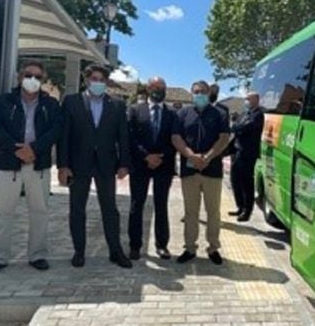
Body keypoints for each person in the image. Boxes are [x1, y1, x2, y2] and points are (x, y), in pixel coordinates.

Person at [0, 61, 63, 276]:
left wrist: (34, 149)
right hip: (8, 163)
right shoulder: (5, 101)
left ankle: (37, 255)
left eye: (38, 77)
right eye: (29, 75)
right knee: (3, 212)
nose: (33, 80)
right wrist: (14, 148)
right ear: (20, 77)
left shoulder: (50, 104)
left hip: (38, 165)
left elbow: (56, 129)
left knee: (39, 211)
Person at [58, 65, 133, 269]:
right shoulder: (72, 101)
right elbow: (63, 135)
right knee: (77, 209)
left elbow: (123, 137)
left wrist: (124, 163)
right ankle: (79, 251)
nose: (97, 82)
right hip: (78, 164)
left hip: (106, 164)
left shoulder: (117, 105)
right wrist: (63, 165)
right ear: (86, 80)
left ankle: (115, 251)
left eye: (101, 79)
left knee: (110, 209)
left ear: (106, 82)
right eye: (93, 78)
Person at [172, 80, 232, 264]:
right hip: (189, 171)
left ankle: (213, 248)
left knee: (213, 212)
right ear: (191, 93)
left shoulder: (220, 113)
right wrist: (191, 156)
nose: (199, 94)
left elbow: (224, 138)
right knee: (191, 212)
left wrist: (207, 157)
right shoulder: (182, 114)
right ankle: (190, 248)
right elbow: (176, 137)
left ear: (209, 93)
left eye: (203, 91)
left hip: (212, 170)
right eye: (196, 91)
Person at [126, 77, 176, 260]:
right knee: (136, 205)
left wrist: (160, 156)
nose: (158, 90)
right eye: (155, 87)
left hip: (164, 165)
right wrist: (146, 156)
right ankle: (135, 246)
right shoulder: (134, 110)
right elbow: (130, 137)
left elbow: (175, 139)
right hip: (140, 164)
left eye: (162, 87)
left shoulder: (172, 114)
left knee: (161, 206)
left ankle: (162, 245)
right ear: (148, 89)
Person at [229, 91, 265, 221]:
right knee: (235, 180)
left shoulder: (258, 115)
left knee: (246, 182)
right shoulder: (245, 113)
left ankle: (247, 211)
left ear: (256, 99)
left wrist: (237, 126)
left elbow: (244, 128)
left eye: (248, 99)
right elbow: (235, 127)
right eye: (246, 99)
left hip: (248, 153)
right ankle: (240, 206)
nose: (246, 101)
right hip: (237, 151)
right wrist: (237, 126)